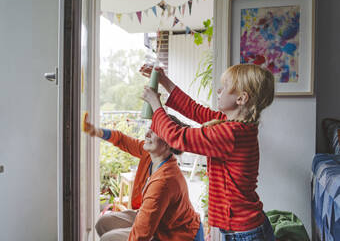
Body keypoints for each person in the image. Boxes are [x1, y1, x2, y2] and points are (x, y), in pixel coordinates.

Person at [140, 63, 276, 241]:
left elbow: (176, 137)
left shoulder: (231, 133)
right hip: (245, 229)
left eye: (225, 86)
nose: (219, 90)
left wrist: (155, 105)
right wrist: (164, 81)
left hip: (244, 233)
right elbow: (193, 109)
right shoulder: (231, 125)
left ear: (241, 99)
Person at [83, 113, 204, 241]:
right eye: (150, 128)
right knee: (104, 222)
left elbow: (141, 236)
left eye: (155, 131)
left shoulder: (165, 181)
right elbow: (122, 139)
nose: (147, 134)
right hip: (160, 221)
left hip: (176, 233)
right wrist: (96, 131)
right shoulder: (149, 154)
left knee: (109, 238)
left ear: (169, 142)